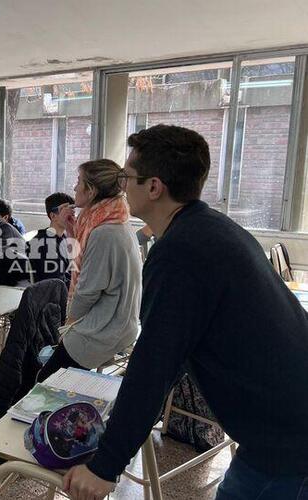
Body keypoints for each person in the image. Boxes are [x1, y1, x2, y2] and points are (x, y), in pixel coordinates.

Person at [63, 125, 308, 500]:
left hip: (287, 444)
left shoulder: (182, 252)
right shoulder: (211, 228)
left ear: (154, 187)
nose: (123, 185)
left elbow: (156, 363)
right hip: (277, 433)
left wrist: (105, 466)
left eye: (128, 177)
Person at [37, 159, 141, 381]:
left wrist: (69, 324)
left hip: (107, 327)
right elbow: (80, 263)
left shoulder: (105, 232)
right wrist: (70, 230)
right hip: (116, 318)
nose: (74, 188)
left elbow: (87, 290)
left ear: (92, 190)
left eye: (78, 182)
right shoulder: (111, 217)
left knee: (46, 381)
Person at [26, 192, 75, 286]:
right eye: (66, 211)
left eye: (72, 210)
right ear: (53, 216)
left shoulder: (63, 238)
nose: (72, 215)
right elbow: (58, 284)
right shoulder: (45, 245)